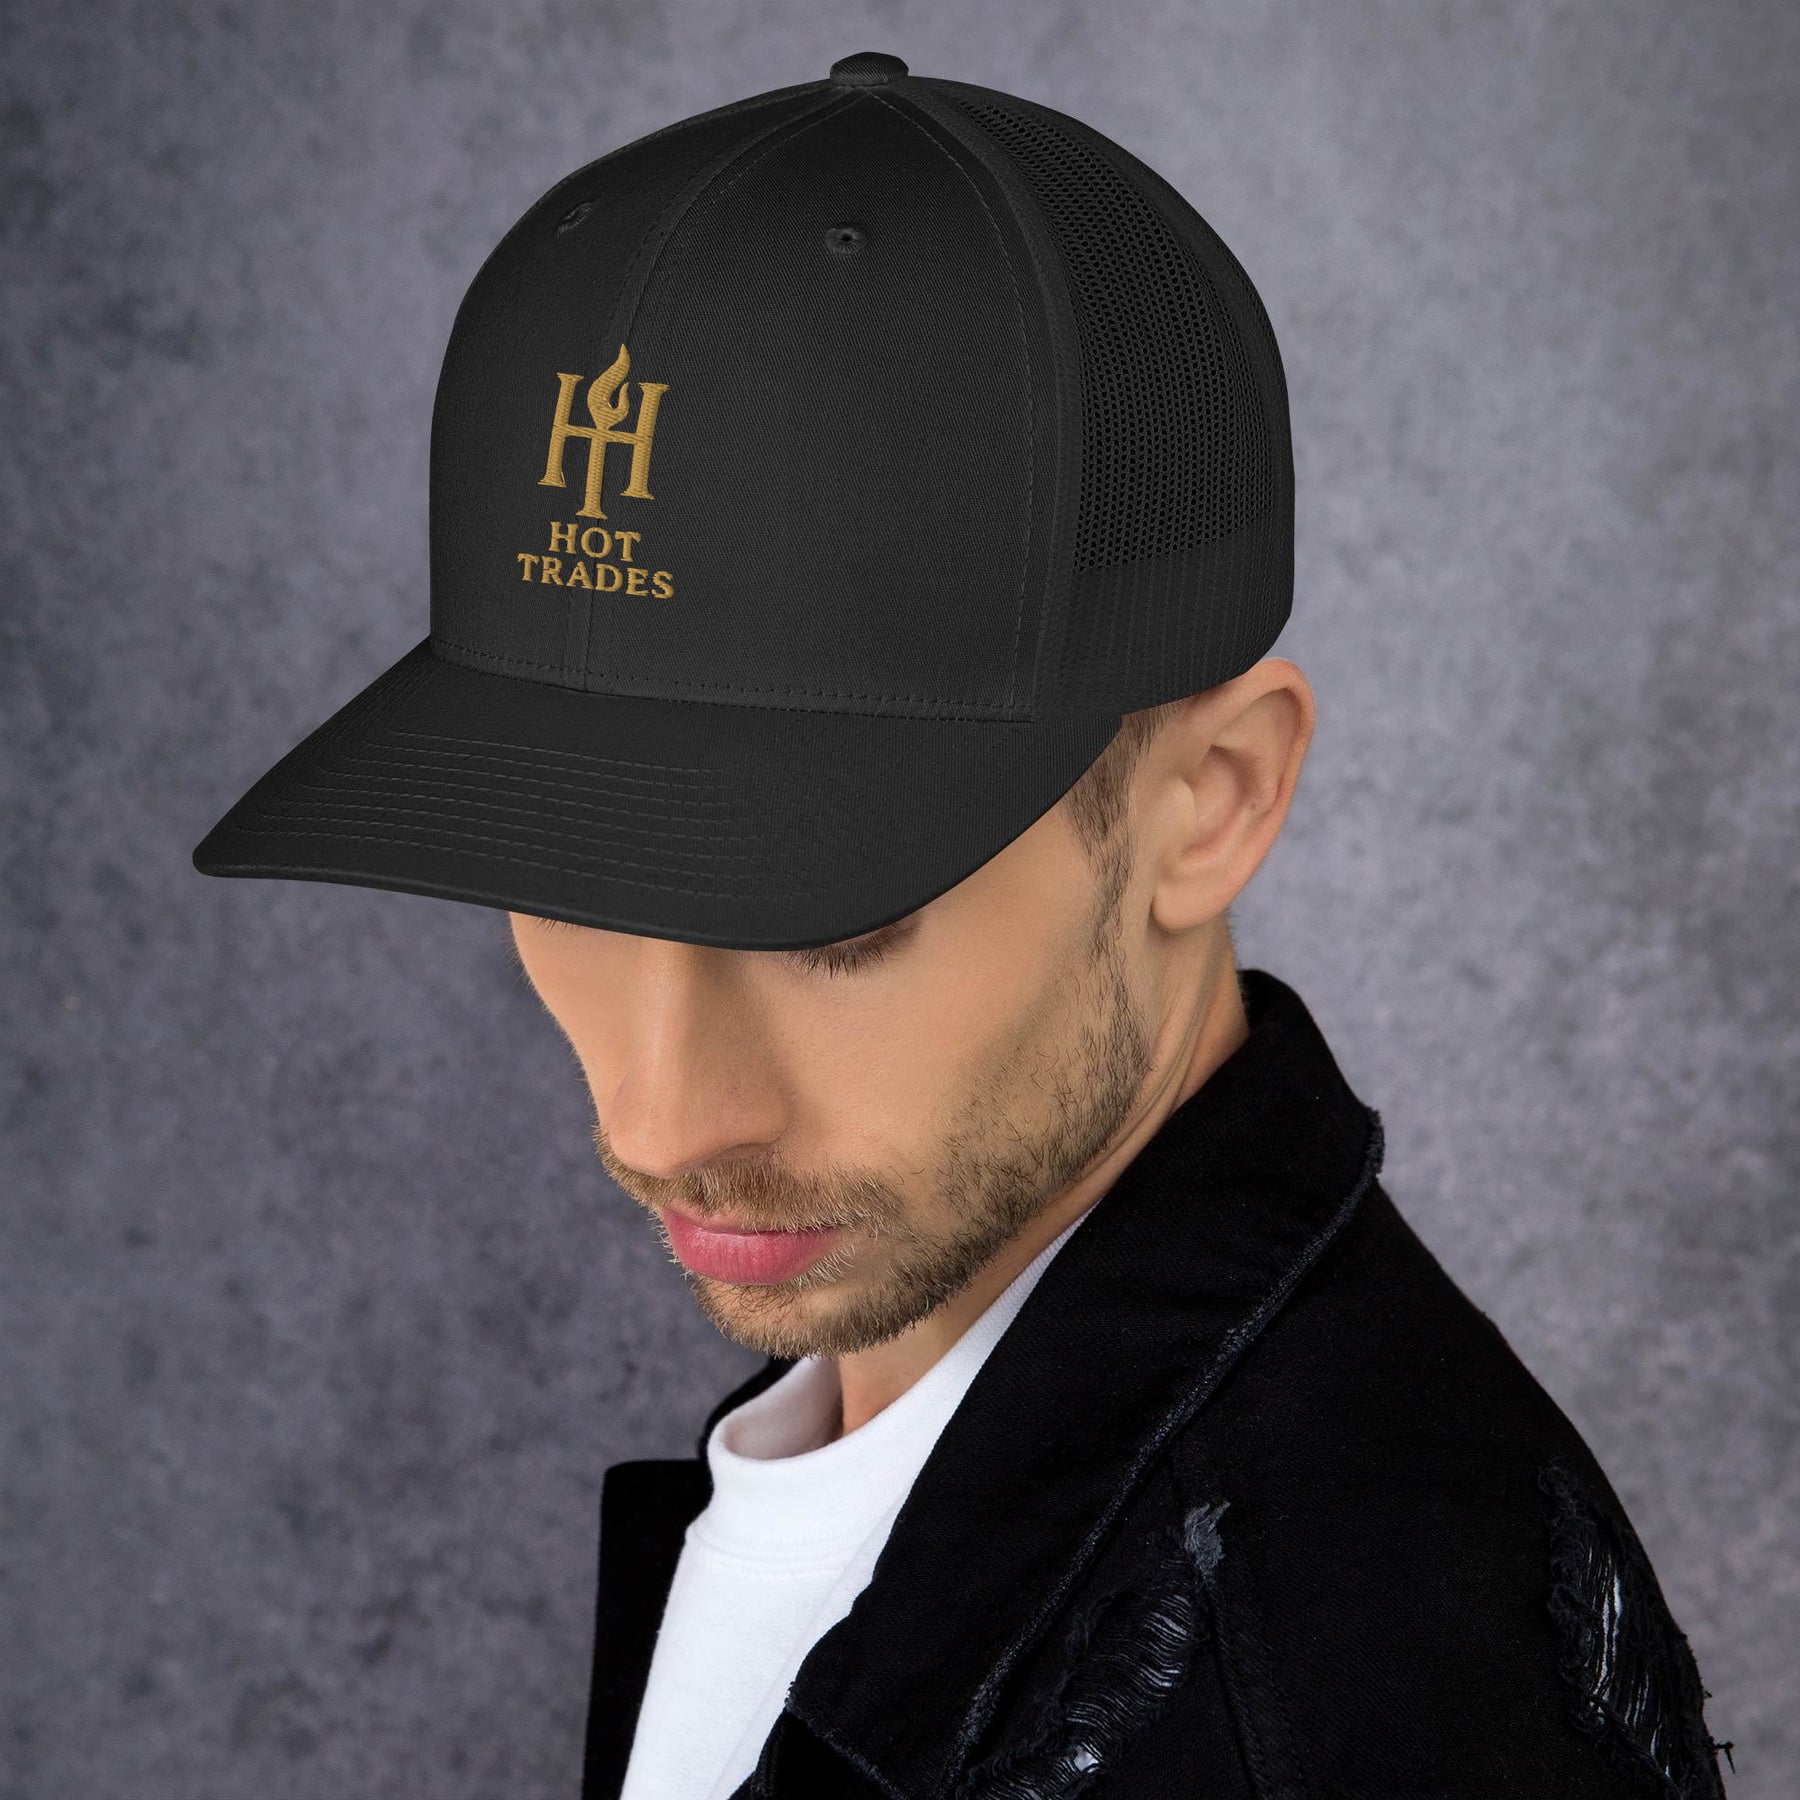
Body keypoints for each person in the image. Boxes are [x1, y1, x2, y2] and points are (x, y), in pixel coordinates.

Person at [192, 49, 1733, 1800]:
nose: (662, 1119)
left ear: (1210, 800)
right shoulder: (889, 1448)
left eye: (830, 921)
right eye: (573, 877)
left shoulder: (1330, 1695)